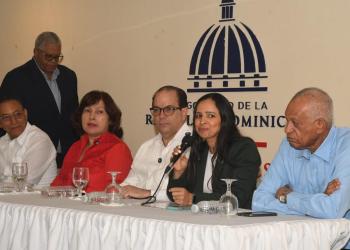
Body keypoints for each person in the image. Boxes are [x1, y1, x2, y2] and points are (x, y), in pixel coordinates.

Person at [252, 87, 350, 249]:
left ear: (319, 125)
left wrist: (288, 197)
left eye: (295, 123)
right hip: (300, 243)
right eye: (286, 121)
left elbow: (332, 210)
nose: (287, 129)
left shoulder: (346, 145)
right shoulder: (289, 145)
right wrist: (319, 199)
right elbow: (259, 201)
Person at [167, 93, 261, 208]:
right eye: (198, 116)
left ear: (224, 119)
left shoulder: (244, 148)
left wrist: (193, 198)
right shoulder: (197, 148)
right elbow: (174, 196)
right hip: (202, 219)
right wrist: (178, 173)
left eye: (210, 116)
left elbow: (237, 197)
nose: (202, 121)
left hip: (234, 220)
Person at [0, 31, 79, 167]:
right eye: (49, 57)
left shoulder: (68, 76)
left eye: (57, 57)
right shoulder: (16, 78)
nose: (54, 62)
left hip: (66, 154)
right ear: (36, 52)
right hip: (31, 154)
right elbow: (7, 118)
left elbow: (75, 116)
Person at [51, 90, 132, 192]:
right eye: (87, 111)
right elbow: (57, 184)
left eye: (99, 112)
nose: (92, 117)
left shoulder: (117, 149)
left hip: (96, 207)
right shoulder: (75, 147)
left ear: (110, 119)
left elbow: (115, 191)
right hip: (65, 206)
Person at [121, 85, 191, 200]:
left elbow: (187, 194)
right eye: (156, 110)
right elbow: (131, 183)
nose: (161, 116)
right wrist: (117, 189)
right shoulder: (146, 146)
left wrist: (149, 193)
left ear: (184, 112)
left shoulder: (194, 145)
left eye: (168, 109)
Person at [0, 96, 56, 187]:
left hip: (37, 199)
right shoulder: (2, 142)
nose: (13, 121)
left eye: (18, 114)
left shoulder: (40, 140)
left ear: (25, 114)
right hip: (8, 199)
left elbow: (24, 183)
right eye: (6, 118)